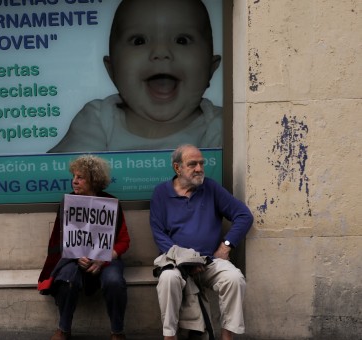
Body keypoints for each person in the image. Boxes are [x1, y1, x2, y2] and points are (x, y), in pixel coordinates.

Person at [49, 0, 222, 153]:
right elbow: (62, 178)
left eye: (182, 40)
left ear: (211, 68)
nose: (161, 52)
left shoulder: (221, 126)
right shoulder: (98, 120)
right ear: (112, 70)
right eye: (139, 41)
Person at [149, 144, 254, 340]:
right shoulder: (161, 193)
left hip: (209, 261)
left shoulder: (210, 188)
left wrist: (226, 245)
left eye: (201, 163)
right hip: (176, 262)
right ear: (177, 168)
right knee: (167, 279)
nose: (199, 168)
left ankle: (226, 336)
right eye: (192, 164)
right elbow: (159, 234)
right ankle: (169, 336)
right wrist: (187, 260)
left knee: (234, 278)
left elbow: (243, 215)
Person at [38, 154, 131, 340]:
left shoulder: (111, 204)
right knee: (66, 280)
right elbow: (59, 240)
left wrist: (103, 258)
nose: (74, 181)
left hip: (106, 259)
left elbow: (123, 242)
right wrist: (74, 256)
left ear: (93, 180)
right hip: (75, 259)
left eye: (80, 177)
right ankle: (63, 328)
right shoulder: (67, 203)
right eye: (74, 177)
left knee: (114, 282)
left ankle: (117, 332)